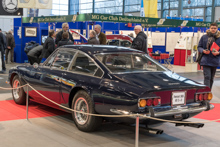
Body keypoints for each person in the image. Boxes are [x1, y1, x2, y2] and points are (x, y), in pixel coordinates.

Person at [198, 22, 220, 89]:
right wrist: (203, 51)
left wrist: (218, 53)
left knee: (211, 78)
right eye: (212, 28)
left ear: (217, 29)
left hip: (215, 61)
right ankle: (206, 93)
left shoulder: (219, 38)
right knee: (207, 77)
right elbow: (199, 47)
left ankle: (208, 92)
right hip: (206, 60)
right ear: (209, 28)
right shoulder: (204, 37)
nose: (213, 29)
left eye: (215, 28)